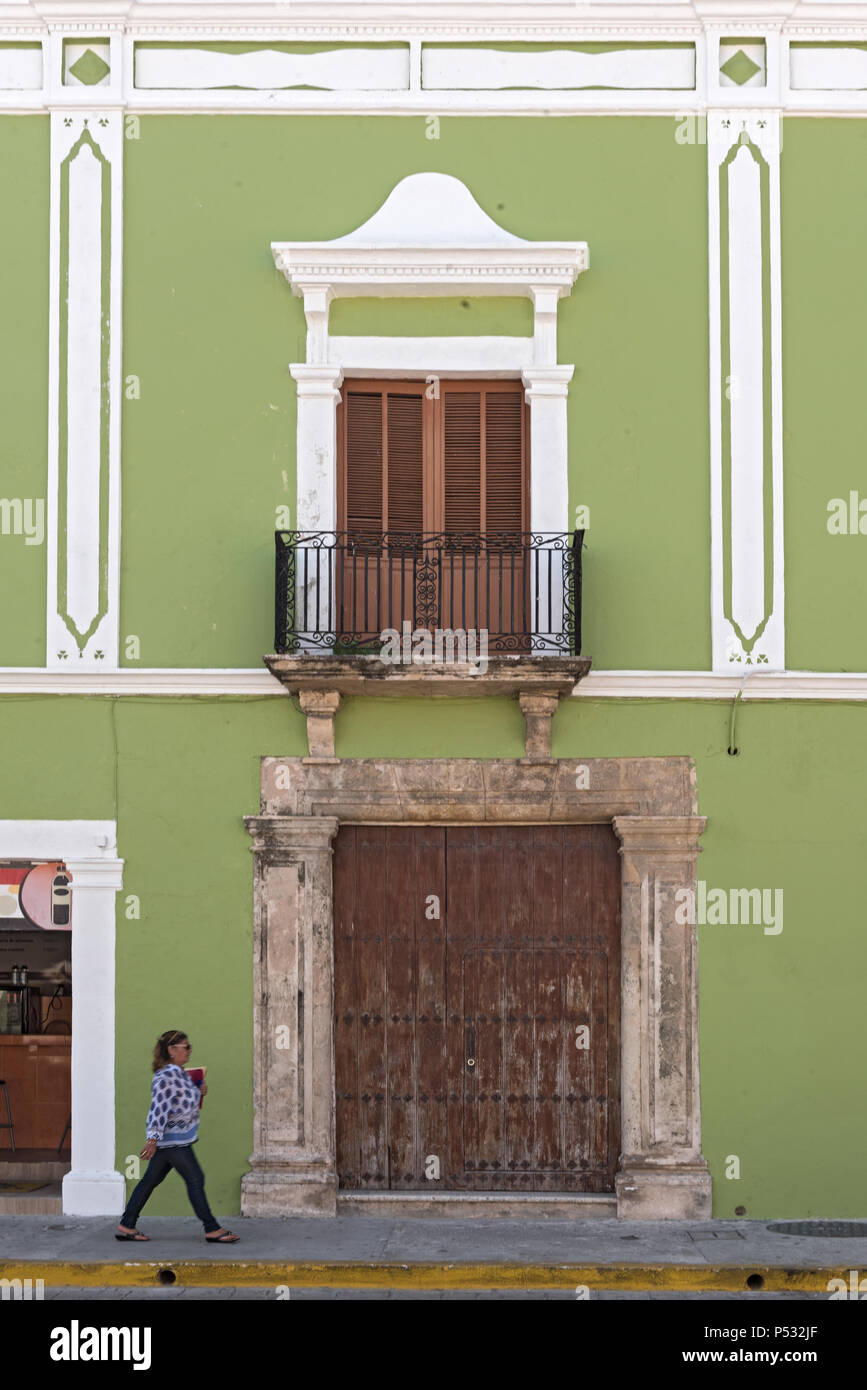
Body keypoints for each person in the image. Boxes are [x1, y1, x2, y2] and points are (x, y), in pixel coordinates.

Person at [115, 1029, 239, 1243]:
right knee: (195, 1178)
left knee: (148, 1181)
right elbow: (159, 1108)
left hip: (177, 1139)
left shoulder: (180, 1074)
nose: (190, 1051)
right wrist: (152, 1139)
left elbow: (181, 1103)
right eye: (186, 1047)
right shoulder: (166, 1077)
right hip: (173, 1140)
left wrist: (199, 1092)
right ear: (172, 1050)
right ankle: (211, 1228)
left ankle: (127, 1224)